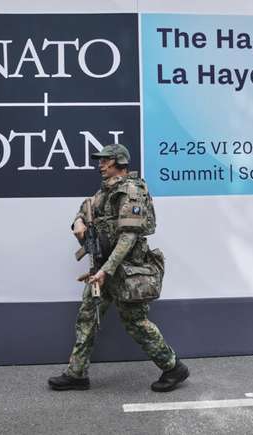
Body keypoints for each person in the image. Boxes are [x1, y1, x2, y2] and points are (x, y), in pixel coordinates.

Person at [48, 143, 189, 392]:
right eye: (100, 160)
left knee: (136, 323)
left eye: (106, 160)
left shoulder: (131, 191)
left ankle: (173, 367)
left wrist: (106, 271)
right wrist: (78, 222)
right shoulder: (105, 191)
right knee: (87, 316)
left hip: (126, 271)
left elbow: (128, 237)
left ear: (120, 162)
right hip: (103, 268)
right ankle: (77, 373)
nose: (100, 165)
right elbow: (86, 209)